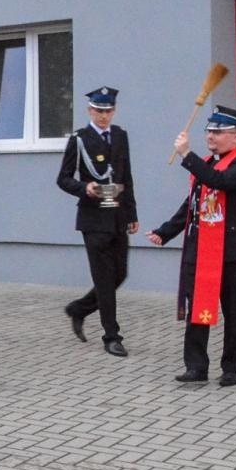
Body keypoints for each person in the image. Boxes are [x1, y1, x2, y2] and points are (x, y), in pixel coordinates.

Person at [148, 106, 236, 387]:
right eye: (208, 130)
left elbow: (219, 183)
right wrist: (164, 232)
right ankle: (196, 367)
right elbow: (192, 207)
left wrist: (187, 155)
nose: (210, 135)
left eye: (218, 131)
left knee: (233, 310)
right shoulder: (206, 163)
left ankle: (231, 368)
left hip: (233, 253)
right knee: (198, 308)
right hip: (204, 250)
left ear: (235, 136)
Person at [57, 86, 140, 357]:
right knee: (104, 279)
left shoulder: (120, 136)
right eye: (98, 111)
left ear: (114, 111)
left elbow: (126, 177)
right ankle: (111, 336)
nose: (103, 116)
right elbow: (64, 178)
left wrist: (132, 214)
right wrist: (85, 188)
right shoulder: (79, 139)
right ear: (89, 110)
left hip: (116, 214)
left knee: (121, 273)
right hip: (93, 219)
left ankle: (79, 309)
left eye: (108, 111)